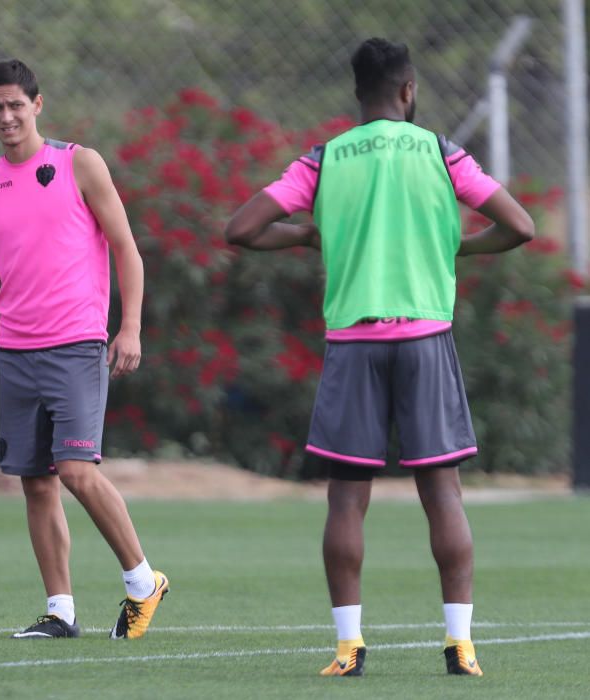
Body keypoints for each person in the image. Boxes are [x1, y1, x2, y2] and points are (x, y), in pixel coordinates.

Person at [225, 38, 534, 677]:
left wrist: (310, 235)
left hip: (353, 344)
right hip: (425, 338)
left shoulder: (326, 158)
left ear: (357, 95)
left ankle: (348, 650)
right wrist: (457, 248)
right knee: (442, 494)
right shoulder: (441, 151)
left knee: (346, 501)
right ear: (409, 90)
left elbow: (242, 229)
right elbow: (520, 226)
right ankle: (461, 648)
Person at [0, 59, 168, 640]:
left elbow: (127, 248)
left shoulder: (80, 164)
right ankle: (61, 611)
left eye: (15, 105)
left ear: (38, 105)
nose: (6, 116)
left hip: (76, 344)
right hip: (15, 352)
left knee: (76, 468)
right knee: (36, 481)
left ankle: (142, 582)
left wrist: (130, 327)